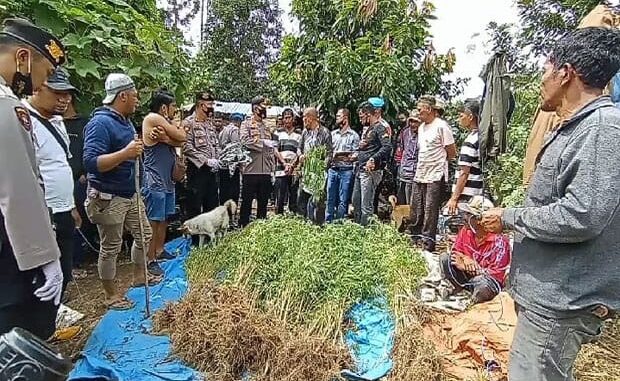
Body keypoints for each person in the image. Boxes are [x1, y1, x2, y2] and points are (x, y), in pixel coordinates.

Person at [481, 27, 620, 381]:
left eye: (545, 68)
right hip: (551, 296)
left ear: (565, 73)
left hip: (562, 299)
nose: (541, 80)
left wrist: (509, 218)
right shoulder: (577, 126)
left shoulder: (602, 129)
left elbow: (583, 214)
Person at [0, 18, 66, 339]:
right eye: (47, 72)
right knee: (16, 339)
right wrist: (44, 256)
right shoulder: (6, 106)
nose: (41, 84)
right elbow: (19, 189)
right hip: (9, 247)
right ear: (24, 58)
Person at [83, 73, 160, 310]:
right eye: (135, 96)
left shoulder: (124, 121)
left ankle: (139, 276)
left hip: (130, 193)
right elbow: (91, 163)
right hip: (109, 196)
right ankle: (110, 295)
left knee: (144, 234)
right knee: (111, 247)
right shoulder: (100, 123)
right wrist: (125, 154)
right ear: (122, 95)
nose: (137, 101)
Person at [24, 68, 81, 299]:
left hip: (62, 210)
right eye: (58, 92)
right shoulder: (22, 119)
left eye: (67, 94)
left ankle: (54, 313)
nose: (64, 99)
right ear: (37, 87)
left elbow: (60, 167)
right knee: (40, 278)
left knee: (63, 268)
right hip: (41, 214)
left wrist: (72, 206)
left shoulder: (57, 122)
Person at [141, 89, 186, 276]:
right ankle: (149, 259)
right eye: (173, 106)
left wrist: (168, 138)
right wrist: (174, 136)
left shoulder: (164, 123)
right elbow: (182, 136)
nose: (175, 110)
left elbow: (180, 140)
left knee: (165, 219)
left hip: (167, 180)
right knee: (154, 220)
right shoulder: (153, 118)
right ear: (163, 107)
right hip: (155, 180)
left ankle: (159, 250)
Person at [440, 196, 511, 304]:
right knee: (445, 258)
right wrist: (464, 258)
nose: (464, 217)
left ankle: (473, 300)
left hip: (486, 280)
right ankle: (459, 288)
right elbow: (456, 251)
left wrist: (475, 268)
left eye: (469, 215)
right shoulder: (466, 231)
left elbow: (497, 275)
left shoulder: (500, 242)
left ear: (479, 220)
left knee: (482, 284)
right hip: (467, 275)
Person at [409, 95, 456, 252]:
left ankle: (428, 242)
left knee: (430, 209)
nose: (418, 112)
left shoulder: (442, 126)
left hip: (435, 174)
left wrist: (440, 161)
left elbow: (451, 152)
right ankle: (414, 238)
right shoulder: (422, 128)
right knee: (416, 208)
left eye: (420, 109)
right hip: (421, 172)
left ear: (429, 109)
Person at [64, 90, 96, 278]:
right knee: (66, 221)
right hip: (60, 182)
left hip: (81, 181)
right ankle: (71, 265)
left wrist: (86, 172)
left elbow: (91, 150)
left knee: (82, 219)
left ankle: (78, 259)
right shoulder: (54, 123)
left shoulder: (84, 124)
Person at [351, 102, 392, 226]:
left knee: (366, 205)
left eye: (362, 116)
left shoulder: (380, 127)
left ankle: (366, 232)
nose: (360, 120)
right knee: (355, 201)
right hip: (360, 169)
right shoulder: (369, 129)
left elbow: (387, 147)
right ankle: (357, 227)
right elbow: (370, 147)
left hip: (370, 172)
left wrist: (373, 159)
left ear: (368, 115)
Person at [182, 92, 221, 219]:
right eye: (209, 105)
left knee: (212, 207)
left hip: (212, 171)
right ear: (201, 105)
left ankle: (210, 238)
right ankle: (194, 238)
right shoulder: (188, 123)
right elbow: (186, 146)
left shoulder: (209, 124)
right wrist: (205, 160)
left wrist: (218, 159)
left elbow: (215, 145)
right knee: (195, 207)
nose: (211, 107)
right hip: (197, 170)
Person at [239, 96, 276, 227]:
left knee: (263, 205)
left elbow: (270, 150)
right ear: (255, 108)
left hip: (265, 171)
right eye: (263, 107)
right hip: (251, 170)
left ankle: (260, 231)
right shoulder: (246, 124)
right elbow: (244, 141)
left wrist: (272, 170)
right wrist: (262, 143)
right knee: (247, 204)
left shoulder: (266, 127)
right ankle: (242, 229)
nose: (265, 110)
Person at [446, 99, 483, 214]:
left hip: (467, 195)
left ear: (470, 117)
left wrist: (454, 198)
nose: (459, 119)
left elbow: (464, 173)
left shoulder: (471, 140)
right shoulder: (480, 137)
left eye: (461, 116)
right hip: (476, 192)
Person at [297, 107, 332, 224]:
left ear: (310, 119)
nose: (303, 121)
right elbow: (299, 148)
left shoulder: (325, 132)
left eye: (304, 119)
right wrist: (300, 155)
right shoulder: (304, 132)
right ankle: (302, 223)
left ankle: (317, 225)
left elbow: (329, 153)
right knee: (301, 199)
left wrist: (322, 168)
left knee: (318, 202)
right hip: (306, 172)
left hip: (318, 173)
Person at [326, 108, 359, 222]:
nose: (336, 118)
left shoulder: (354, 135)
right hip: (333, 169)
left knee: (343, 199)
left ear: (345, 118)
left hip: (346, 170)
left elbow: (357, 153)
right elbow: (327, 151)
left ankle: (339, 222)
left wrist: (352, 157)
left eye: (338, 116)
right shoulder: (332, 134)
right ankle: (328, 222)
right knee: (330, 197)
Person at [274, 108, 301, 214]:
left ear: (293, 119)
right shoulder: (277, 132)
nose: (287, 120)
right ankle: (279, 218)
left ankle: (293, 219)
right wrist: (284, 163)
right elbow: (275, 150)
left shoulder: (299, 134)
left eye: (289, 117)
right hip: (281, 169)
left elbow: (300, 151)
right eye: (285, 118)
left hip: (294, 170)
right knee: (280, 198)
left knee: (293, 197)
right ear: (283, 119)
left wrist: (292, 165)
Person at [396, 111, 421, 205]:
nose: (413, 124)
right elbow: (402, 149)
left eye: (415, 121)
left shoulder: (423, 134)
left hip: (415, 172)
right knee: (402, 201)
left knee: (412, 202)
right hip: (403, 171)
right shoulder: (405, 132)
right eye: (411, 121)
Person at [218, 113, 243, 207]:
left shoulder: (223, 130)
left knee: (223, 190)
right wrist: (241, 164)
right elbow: (236, 147)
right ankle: (231, 214)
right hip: (231, 166)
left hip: (222, 164)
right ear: (239, 121)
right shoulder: (234, 130)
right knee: (233, 191)